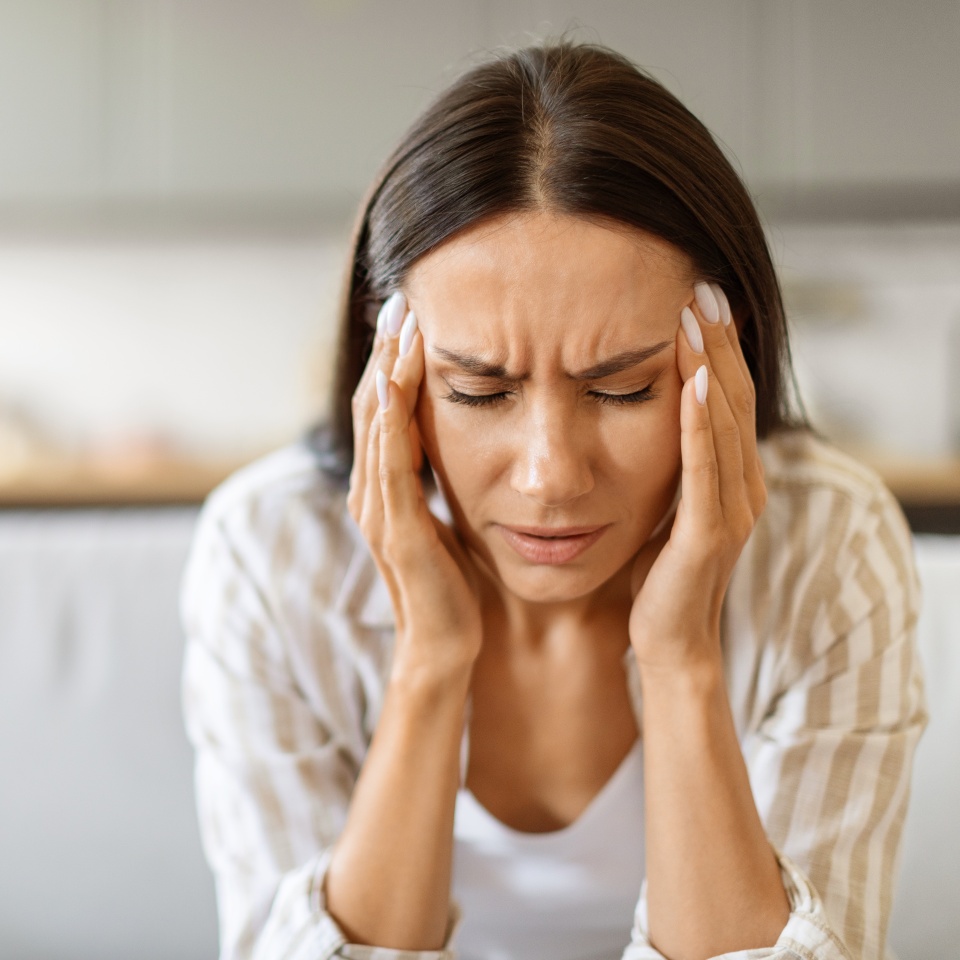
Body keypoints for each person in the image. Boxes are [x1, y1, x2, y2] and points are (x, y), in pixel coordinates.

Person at [181, 42, 926, 960]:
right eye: (480, 391)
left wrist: (682, 658)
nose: (549, 477)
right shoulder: (269, 554)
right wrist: (430, 664)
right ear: (392, 373)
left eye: (621, 390)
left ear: (725, 356)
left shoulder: (828, 548)